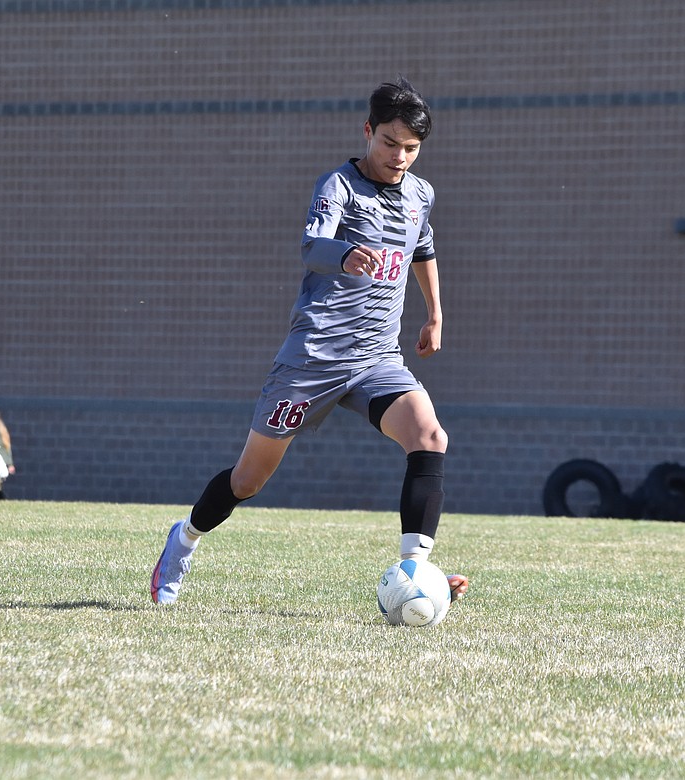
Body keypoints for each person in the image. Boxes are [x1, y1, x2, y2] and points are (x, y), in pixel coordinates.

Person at [151, 78, 468, 606]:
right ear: (367, 132)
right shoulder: (337, 187)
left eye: (411, 148)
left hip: (376, 358)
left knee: (429, 437)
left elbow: (423, 248)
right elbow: (311, 244)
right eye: (389, 143)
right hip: (313, 359)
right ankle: (183, 541)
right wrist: (342, 255)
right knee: (248, 480)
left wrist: (435, 315)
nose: (399, 157)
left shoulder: (421, 193)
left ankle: (414, 572)